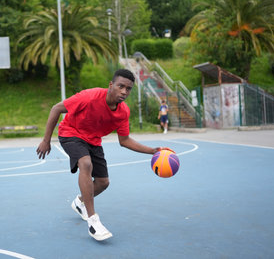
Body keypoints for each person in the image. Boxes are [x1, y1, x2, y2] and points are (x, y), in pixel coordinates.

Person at [36, 69, 173, 241]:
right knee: (85, 164)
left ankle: (80, 202)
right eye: (120, 86)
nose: (124, 91)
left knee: (103, 182)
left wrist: (152, 151)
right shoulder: (89, 96)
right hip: (71, 133)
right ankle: (94, 222)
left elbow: (124, 140)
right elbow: (56, 108)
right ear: (111, 85)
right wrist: (46, 140)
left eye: (128, 89)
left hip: (93, 140)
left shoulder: (123, 112)